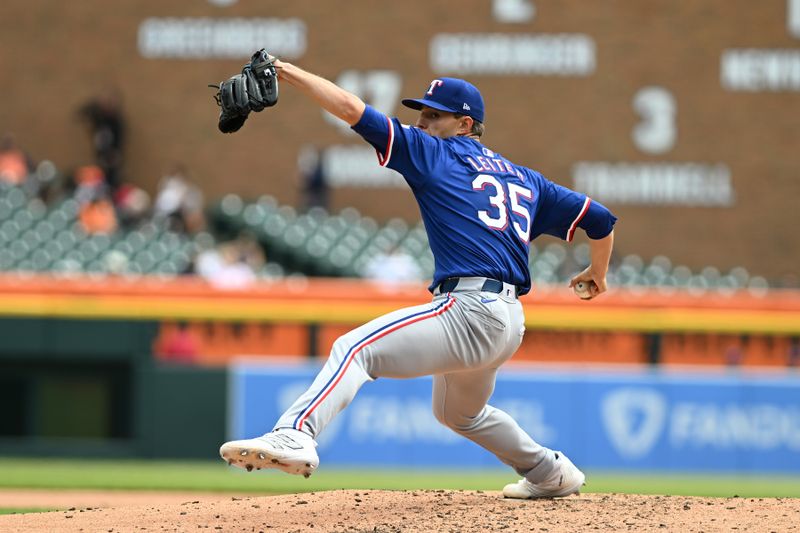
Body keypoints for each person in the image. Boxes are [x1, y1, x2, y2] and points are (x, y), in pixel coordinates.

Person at [219, 57, 617, 500]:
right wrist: (597, 272)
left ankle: (294, 432)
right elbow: (599, 219)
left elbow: (353, 109)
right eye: (421, 112)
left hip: (469, 311)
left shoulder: (433, 153)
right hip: (507, 321)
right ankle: (549, 471)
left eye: (433, 114)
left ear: (465, 124)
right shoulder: (526, 179)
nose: (421, 121)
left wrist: (285, 71)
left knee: (355, 349)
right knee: (459, 415)